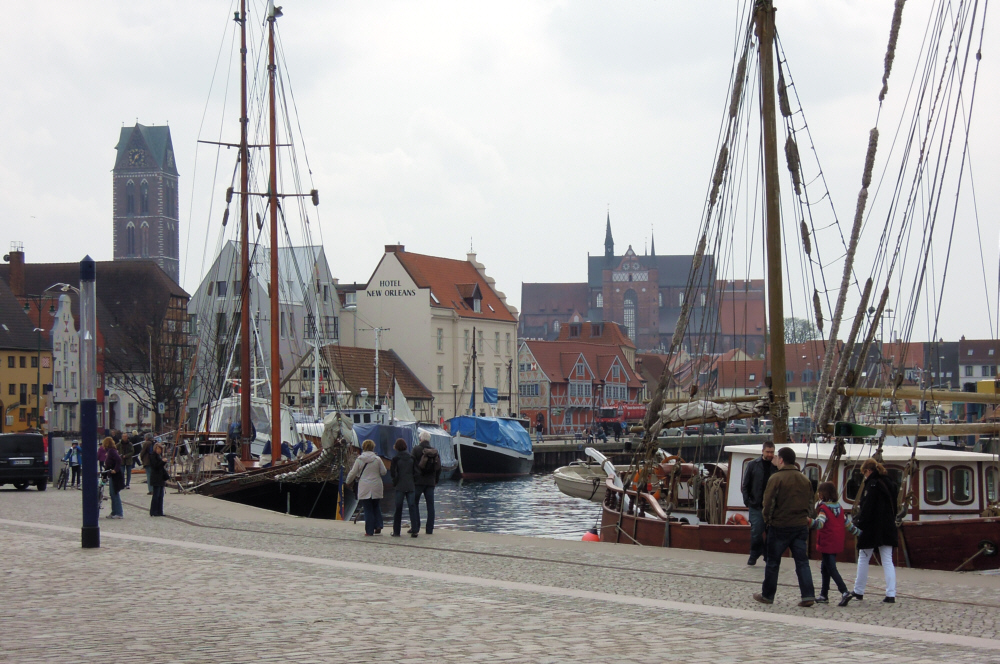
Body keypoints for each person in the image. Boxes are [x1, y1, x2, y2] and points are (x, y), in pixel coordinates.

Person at [753, 447, 816, 607]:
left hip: (779, 525)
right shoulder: (805, 480)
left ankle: (768, 595)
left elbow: (767, 503)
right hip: (800, 525)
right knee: (802, 562)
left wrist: (767, 519)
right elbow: (810, 503)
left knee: (773, 562)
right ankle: (808, 595)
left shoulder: (776, 478)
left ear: (781, 460)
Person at [840, 458, 899, 606]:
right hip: (888, 525)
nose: (864, 476)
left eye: (864, 473)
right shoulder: (889, 483)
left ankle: (858, 590)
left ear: (868, 471)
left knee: (863, 558)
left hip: (872, 528)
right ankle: (890, 594)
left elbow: (867, 509)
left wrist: (857, 522)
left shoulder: (872, 485)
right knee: (887, 560)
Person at [812, 481, 850, 604]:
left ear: (822, 495)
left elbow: (820, 523)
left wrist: (808, 521)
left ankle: (844, 591)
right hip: (836, 542)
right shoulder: (839, 507)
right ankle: (824, 594)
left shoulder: (823, 508)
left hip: (826, 542)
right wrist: (860, 533)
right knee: (824, 568)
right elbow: (848, 525)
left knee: (831, 568)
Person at [741, 441, 775, 566]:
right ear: (763, 451)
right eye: (768, 452)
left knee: (771, 533)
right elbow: (746, 485)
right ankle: (754, 554)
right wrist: (747, 501)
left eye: (772, 452)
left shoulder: (776, 466)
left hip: (772, 507)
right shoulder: (752, 465)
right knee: (756, 531)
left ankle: (768, 556)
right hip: (756, 505)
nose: (770, 454)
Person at [345, 440, 386, 536]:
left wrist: (347, 481)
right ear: (373, 447)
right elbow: (384, 472)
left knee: (368, 509)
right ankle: (379, 525)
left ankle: (369, 531)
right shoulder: (377, 459)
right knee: (376, 506)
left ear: (363, 447)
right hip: (376, 486)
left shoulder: (359, 459)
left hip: (365, 486)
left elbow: (353, 472)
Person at [411, 430, 441, 535]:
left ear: (421, 439)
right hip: (430, 482)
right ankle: (429, 529)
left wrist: (412, 478)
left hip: (418, 481)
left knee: (414, 504)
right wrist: (436, 480)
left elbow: (412, 465)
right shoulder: (434, 451)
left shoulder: (416, 450)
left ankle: (416, 526)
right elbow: (438, 468)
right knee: (430, 505)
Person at [389, 438, 418, 538]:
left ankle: (396, 531)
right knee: (412, 507)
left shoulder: (395, 459)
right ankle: (415, 530)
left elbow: (393, 473)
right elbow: (416, 472)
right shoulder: (412, 457)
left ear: (396, 447)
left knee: (398, 509)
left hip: (400, 486)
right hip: (410, 485)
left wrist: (395, 482)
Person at [102, 437, 125, 519]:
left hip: (116, 475)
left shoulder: (112, 451)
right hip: (111, 475)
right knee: (112, 493)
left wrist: (115, 469)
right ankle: (114, 511)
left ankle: (119, 512)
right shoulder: (110, 452)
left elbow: (118, 460)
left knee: (115, 493)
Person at [147, 442, 169, 517]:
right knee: (156, 495)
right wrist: (163, 462)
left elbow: (160, 467)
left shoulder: (159, 456)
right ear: (155, 449)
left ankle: (160, 511)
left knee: (161, 495)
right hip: (156, 478)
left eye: (160, 449)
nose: (159, 450)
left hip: (160, 478)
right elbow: (155, 466)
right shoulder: (153, 456)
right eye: (158, 449)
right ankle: (154, 511)